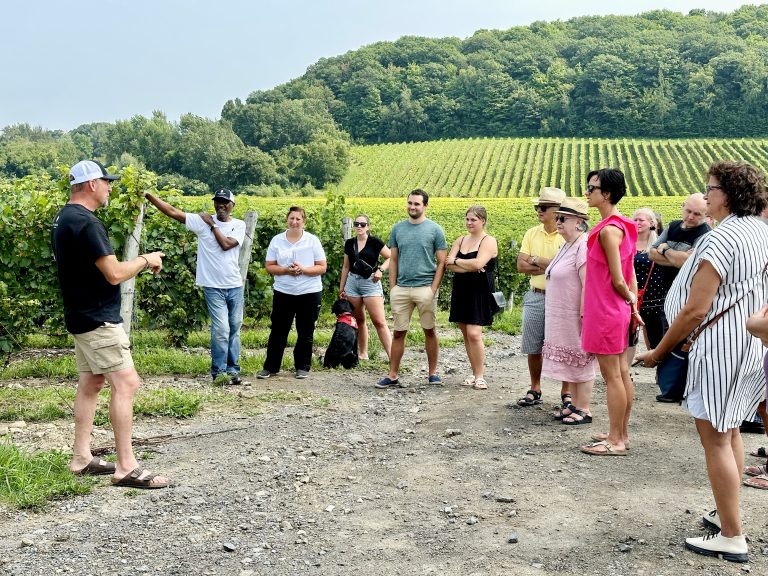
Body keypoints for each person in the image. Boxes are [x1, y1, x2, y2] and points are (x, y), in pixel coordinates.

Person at [637, 161, 768, 562]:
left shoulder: (719, 240)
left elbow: (696, 309)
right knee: (730, 433)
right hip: (749, 345)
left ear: (726, 194)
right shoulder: (760, 231)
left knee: (715, 438)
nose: (705, 194)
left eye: (709, 188)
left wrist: (660, 351)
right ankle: (726, 513)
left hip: (718, 348)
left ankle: (732, 535)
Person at [52, 160, 169, 489]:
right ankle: (125, 466)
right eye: (106, 182)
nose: (110, 187)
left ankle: (81, 458)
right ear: (91, 184)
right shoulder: (87, 223)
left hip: (80, 316)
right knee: (127, 383)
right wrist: (147, 259)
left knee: (91, 383)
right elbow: (115, 273)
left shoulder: (64, 218)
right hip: (99, 319)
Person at [144, 189, 246, 384]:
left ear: (233, 205)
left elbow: (226, 244)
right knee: (221, 329)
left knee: (234, 327)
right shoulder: (201, 222)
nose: (221, 205)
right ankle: (219, 372)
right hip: (212, 286)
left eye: (225, 202)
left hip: (234, 285)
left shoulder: (238, 225)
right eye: (218, 202)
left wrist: (212, 224)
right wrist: (149, 196)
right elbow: (173, 212)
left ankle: (233, 370)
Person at [579, 168, 638, 456]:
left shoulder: (607, 231)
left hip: (605, 310)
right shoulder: (625, 225)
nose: (587, 192)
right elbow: (630, 276)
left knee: (612, 375)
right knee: (622, 373)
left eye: (592, 188)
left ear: (607, 194)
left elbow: (617, 279)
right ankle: (621, 433)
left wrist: (628, 301)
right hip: (618, 310)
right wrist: (632, 304)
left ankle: (615, 440)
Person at [376, 189, 447, 388]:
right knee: (398, 332)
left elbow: (442, 262)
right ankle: (392, 375)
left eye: (417, 204)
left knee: (429, 330)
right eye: (410, 203)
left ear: (425, 206)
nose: (412, 207)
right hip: (402, 289)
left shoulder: (435, 230)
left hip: (425, 287)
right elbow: (394, 259)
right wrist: (393, 287)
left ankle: (433, 373)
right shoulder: (398, 229)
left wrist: (433, 289)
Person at [541, 198, 595, 424]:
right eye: (558, 217)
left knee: (581, 358)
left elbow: (587, 282)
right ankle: (573, 404)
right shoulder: (566, 245)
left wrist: (584, 314)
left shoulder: (583, 245)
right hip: (560, 315)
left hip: (575, 315)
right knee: (571, 359)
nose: (558, 222)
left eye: (564, 218)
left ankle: (584, 408)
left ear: (579, 223)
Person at [259, 207, 327, 379]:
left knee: (305, 330)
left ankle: (302, 366)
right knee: (278, 330)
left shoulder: (312, 241)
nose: (294, 222)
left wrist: (303, 269)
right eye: (292, 218)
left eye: (298, 219)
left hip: (309, 292)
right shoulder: (277, 241)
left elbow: (322, 267)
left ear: (304, 221)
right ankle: (271, 367)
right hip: (284, 291)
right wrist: (285, 270)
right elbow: (269, 266)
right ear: (286, 219)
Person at [516, 187, 567, 407]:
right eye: (538, 206)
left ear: (557, 211)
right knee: (533, 344)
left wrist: (536, 260)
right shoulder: (531, 233)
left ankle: (567, 392)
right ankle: (535, 388)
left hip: (562, 298)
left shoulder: (568, 235)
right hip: (536, 295)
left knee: (565, 346)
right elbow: (520, 265)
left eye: (544, 207)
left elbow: (566, 268)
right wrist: (550, 265)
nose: (539, 210)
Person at [445, 205, 499, 390]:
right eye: (467, 219)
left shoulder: (488, 240)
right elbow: (448, 264)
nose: (469, 223)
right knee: (466, 335)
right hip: (461, 290)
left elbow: (478, 263)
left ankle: (480, 375)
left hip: (479, 291)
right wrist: (468, 266)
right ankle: (474, 372)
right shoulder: (460, 240)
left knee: (474, 334)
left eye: (473, 219)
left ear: (483, 221)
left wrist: (458, 261)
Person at [339, 214, 392, 360]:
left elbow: (391, 257)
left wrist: (381, 270)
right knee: (359, 320)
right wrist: (341, 287)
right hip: (352, 282)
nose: (359, 227)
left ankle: (393, 357)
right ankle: (363, 353)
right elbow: (345, 266)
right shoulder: (349, 243)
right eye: (356, 224)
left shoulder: (375, 242)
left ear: (368, 226)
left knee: (379, 321)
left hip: (371, 282)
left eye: (363, 224)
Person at [649, 193, 710, 282]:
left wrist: (665, 249)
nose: (690, 217)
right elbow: (652, 254)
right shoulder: (672, 226)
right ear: (683, 206)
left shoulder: (706, 234)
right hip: (663, 286)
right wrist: (679, 260)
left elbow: (690, 264)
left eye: (697, 214)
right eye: (688, 211)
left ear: (706, 214)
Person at [631, 208, 666, 355]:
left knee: (656, 335)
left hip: (654, 298)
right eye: (635, 220)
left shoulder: (659, 243)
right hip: (631, 296)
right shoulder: (627, 242)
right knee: (628, 337)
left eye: (641, 220)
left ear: (651, 223)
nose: (637, 223)